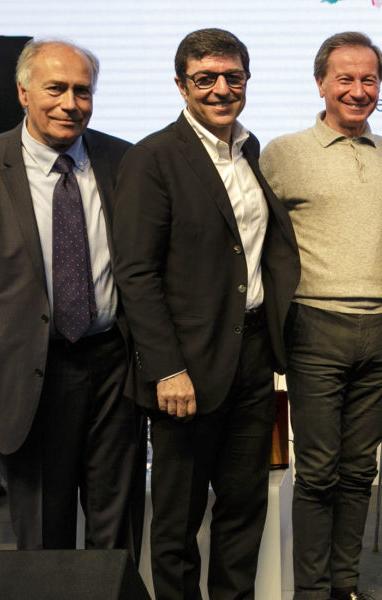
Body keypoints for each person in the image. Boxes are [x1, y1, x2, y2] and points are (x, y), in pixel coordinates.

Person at [0, 40, 144, 556]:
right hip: (29, 375)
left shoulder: (125, 161)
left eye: (83, 91)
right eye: (56, 89)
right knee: (44, 538)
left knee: (117, 533)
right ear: (23, 92)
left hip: (115, 371)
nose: (70, 103)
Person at [111, 28, 299, 599]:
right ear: (180, 85)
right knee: (177, 520)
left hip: (250, 361)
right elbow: (136, 274)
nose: (221, 89)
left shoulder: (250, 149)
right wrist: (166, 368)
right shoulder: (153, 157)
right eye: (206, 79)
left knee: (243, 509)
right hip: (184, 371)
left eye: (232, 77)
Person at [259, 31, 382, 600]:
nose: (358, 90)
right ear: (321, 83)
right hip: (315, 326)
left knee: (360, 470)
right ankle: (311, 593)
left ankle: (346, 587)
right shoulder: (283, 152)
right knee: (317, 472)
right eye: (346, 78)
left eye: (369, 79)